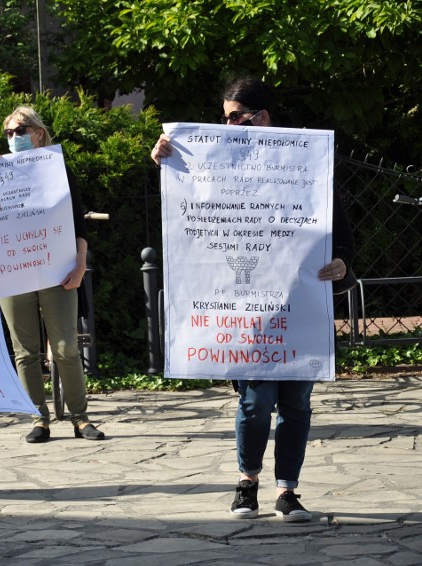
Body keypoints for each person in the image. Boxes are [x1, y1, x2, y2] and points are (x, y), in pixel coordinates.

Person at [151, 76, 356, 522]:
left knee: (297, 403)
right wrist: (167, 159)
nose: (225, 125)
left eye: (233, 117)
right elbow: (192, 204)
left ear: (260, 117)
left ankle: (288, 491)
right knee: (255, 401)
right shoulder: (215, 163)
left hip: (296, 306)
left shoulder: (306, 164)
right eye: (224, 117)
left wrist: (341, 263)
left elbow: (340, 234)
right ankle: (247, 483)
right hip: (244, 310)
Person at [0, 106, 104, 444]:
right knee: (24, 351)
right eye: (8, 133)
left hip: (57, 270)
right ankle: (39, 418)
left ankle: (81, 419)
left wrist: (80, 265)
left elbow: (78, 224)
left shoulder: (59, 169)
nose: (13, 138)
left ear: (38, 132)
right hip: (12, 271)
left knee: (65, 348)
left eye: (20, 131)